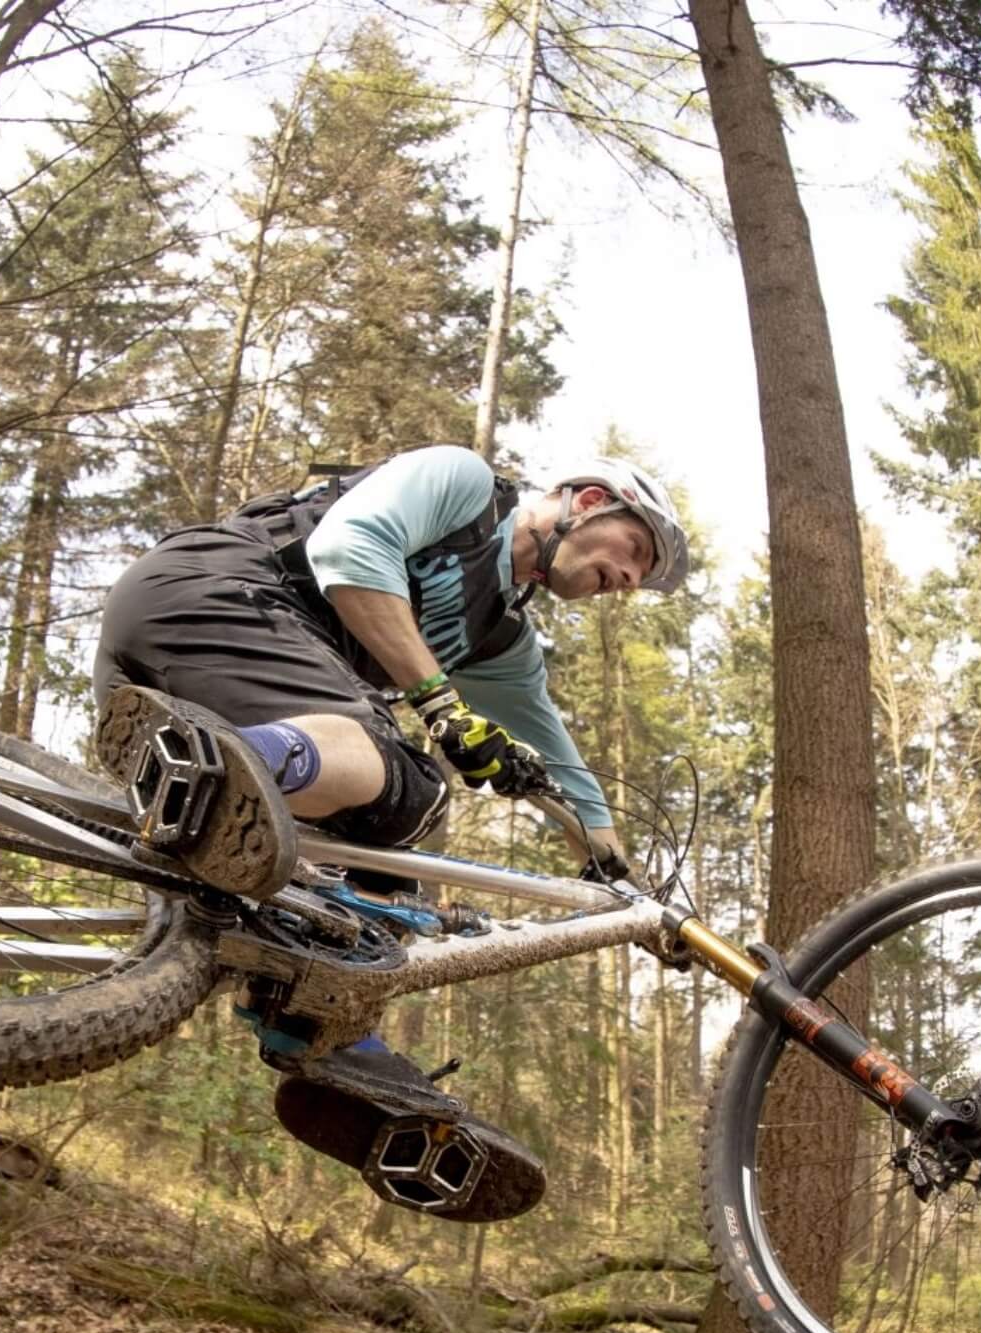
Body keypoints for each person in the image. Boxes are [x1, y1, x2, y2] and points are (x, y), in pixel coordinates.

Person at [91, 444, 689, 1221]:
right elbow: (349, 548)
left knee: (371, 869)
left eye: (640, 578)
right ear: (586, 503)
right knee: (398, 779)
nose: (630, 580)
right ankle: (222, 764)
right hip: (216, 594)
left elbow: (557, 762)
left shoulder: (500, 637)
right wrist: (439, 704)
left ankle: (322, 1030)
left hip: (195, 678)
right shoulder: (465, 487)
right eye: (636, 550)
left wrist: (622, 883)